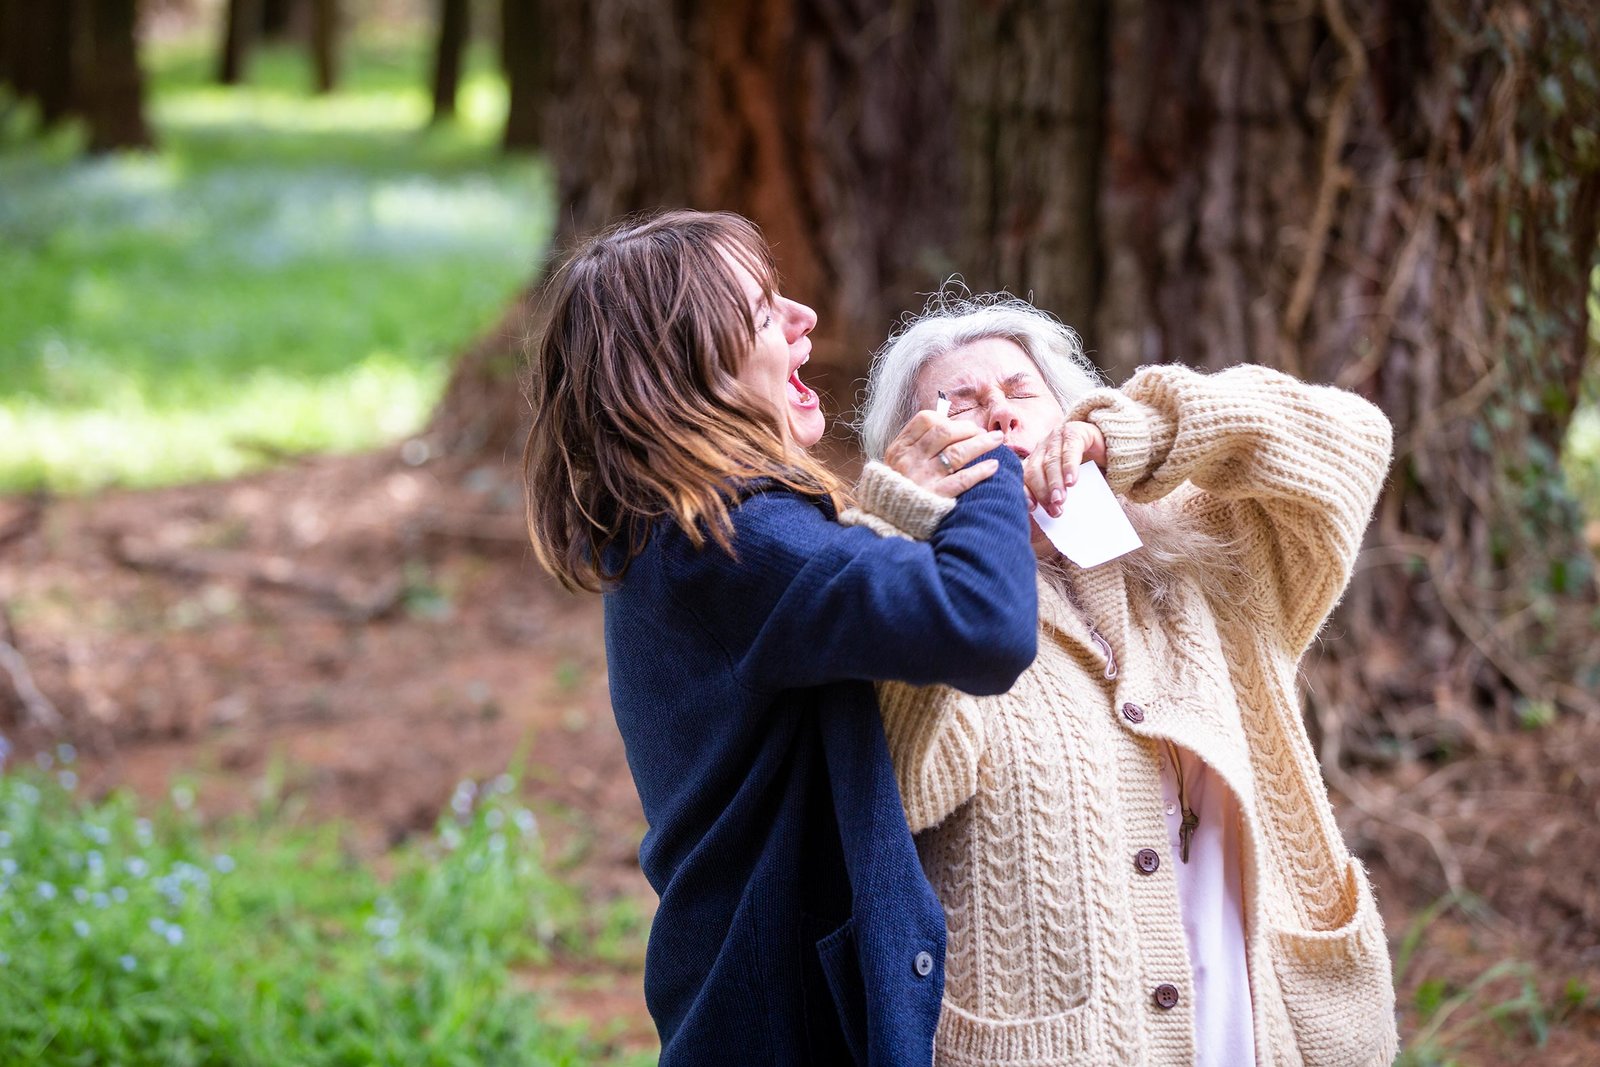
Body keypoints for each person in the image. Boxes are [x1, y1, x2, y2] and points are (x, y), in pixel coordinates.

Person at [522, 212, 1041, 1067]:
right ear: (686, 368)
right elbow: (982, 623)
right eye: (765, 312)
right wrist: (989, 458)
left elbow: (825, 610)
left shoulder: (680, 532)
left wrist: (883, 511)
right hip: (781, 1022)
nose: (804, 316)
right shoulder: (733, 542)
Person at [849, 293, 1400, 1067]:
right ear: (912, 459)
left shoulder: (1213, 556)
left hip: (1261, 1029)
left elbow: (1350, 440)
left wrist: (1137, 433)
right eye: (961, 406)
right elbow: (904, 784)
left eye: (1020, 391)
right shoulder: (931, 623)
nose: (1001, 415)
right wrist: (903, 536)